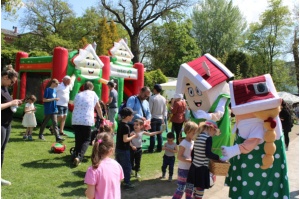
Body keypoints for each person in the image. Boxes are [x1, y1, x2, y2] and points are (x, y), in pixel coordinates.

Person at [184, 120, 221, 199]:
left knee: (195, 188)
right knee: (200, 188)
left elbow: (193, 153)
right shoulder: (208, 138)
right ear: (211, 129)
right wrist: (218, 158)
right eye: (214, 132)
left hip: (194, 167)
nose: (214, 134)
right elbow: (208, 154)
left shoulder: (198, 136)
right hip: (202, 168)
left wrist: (195, 161)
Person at [72, 81, 104, 166]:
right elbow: (98, 106)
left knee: (78, 139)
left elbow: (74, 104)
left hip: (76, 119)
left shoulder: (78, 94)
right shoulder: (93, 94)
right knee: (87, 139)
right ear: (91, 87)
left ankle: (75, 154)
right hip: (86, 119)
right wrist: (101, 117)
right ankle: (79, 157)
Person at [84, 132, 124, 199]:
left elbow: (90, 196)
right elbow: (117, 184)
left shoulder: (93, 169)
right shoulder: (117, 165)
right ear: (111, 150)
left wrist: (87, 192)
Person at [1, 68, 23, 186]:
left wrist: (15, 102)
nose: (12, 84)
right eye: (12, 82)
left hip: (7, 124)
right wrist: (10, 103)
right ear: (5, 77)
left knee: (2, 151)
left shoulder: (5, 88)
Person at [172, 121, 198, 199]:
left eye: (196, 132)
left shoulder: (193, 142)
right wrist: (190, 161)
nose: (195, 134)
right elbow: (179, 157)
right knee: (181, 189)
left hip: (191, 169)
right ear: (187, 132)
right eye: (193, 133)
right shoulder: (184, 143)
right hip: (183, 169)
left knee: (190, 189)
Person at [115, 107, 137, 190]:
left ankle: (118, 181)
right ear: (127, 117)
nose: (132, 117)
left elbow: (123, 137)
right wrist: (134, 136)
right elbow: (125, 140)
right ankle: (127, 183)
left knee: (119, 166)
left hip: (118, 148)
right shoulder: (126, 127)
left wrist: (129, 136)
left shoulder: (120, 124)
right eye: (132, 115)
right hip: (124, 149)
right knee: (127, 166)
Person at [148, 84, 167, 153]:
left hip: (153, 117)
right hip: (160, 118)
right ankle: (159, 148)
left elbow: (150, 109)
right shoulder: (163, 98)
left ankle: (151, 149)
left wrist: (148, 118)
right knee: (159, 134)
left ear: (155, 89)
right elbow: (165, 110)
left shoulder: (152, 98)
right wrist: (163, 118)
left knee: (152, 134)